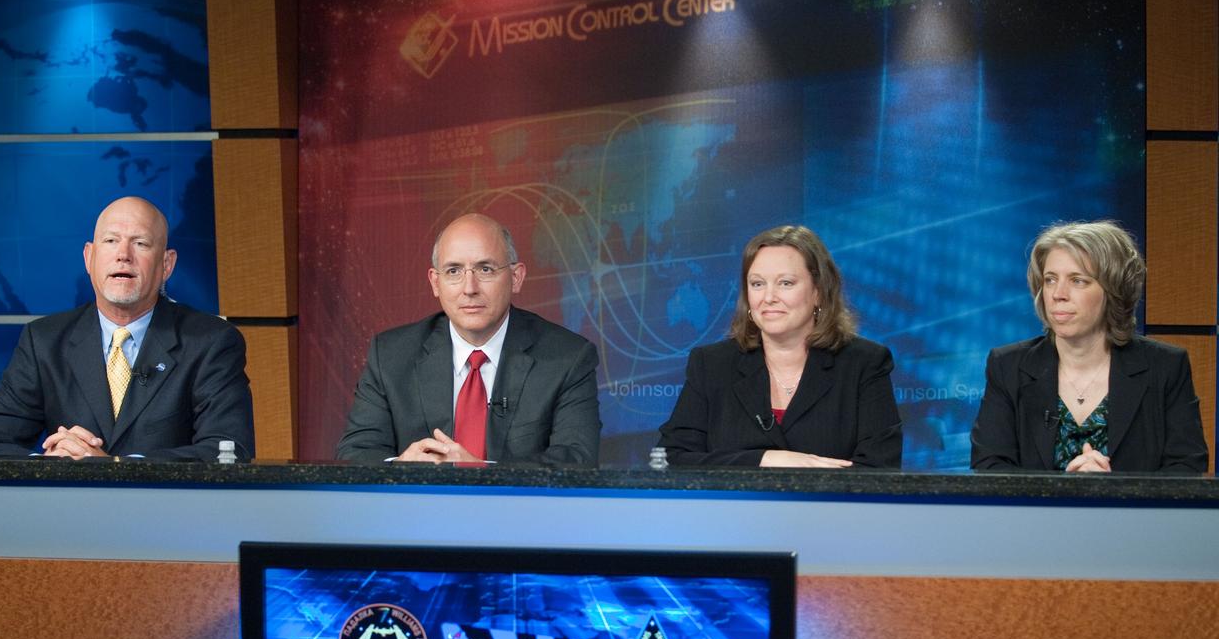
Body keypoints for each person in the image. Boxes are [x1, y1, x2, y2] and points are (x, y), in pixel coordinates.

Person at [0, 196, 255, 461]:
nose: (123, 254)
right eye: (111, 241)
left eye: (140, 243)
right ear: (89, 257)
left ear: (166, 264)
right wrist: (53, 463)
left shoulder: (211, 342)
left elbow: (227, 449)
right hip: (71, 518)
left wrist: (114, 468)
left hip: (168, 518)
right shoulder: (45, 342)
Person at [336, 213, 600, 465]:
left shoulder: (568, 358)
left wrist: (480, 472)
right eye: (453, 271)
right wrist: (401, 467)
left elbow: (576, 461)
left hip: (519, 512)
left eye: (485, 269)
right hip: (419, 511)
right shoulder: (391, 356)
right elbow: (354, 453)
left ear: (516, 277)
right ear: (435, 283)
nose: (469, 288)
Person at [970, 220, 1208, 473]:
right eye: (1050, 280)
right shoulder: (1008, 366)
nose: (1058, 294)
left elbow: (1186, 469)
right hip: (1035, 513)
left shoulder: (1165, 366)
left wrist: (1113, 491)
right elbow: (989, 466)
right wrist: (1063, 489)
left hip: (1133, 513)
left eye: (1078, 281)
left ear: (1113, 290)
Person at [657, 225, 903, 467]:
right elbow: (672, 458)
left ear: (818, 291)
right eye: (757, 284)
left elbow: (879, 469)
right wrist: (766, 459)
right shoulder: (712, 364)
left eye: (785, 283)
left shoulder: (864, 363)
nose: (768, 297)